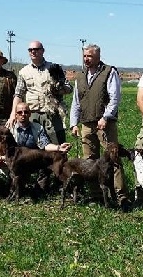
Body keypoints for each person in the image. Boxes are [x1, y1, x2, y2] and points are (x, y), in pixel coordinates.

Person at [69, 44, 129, 208]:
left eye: (90, 56)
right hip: (86, 124)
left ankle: (121, 196)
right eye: (85, 56)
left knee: (113, 160)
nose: (86, 59)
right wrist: (73, 123)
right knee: (89, 161)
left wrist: (105, 117)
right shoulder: (80, 76)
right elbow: (76, 102)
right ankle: (97, 195)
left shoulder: (109, 72)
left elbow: (114, 98)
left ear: (98, 56)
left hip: (105, 124)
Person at [9, 41, 72, 145]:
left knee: (57, 147)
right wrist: (13, 115)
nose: (33, 52)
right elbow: (18, 94)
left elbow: (69, 88)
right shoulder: (24, 72)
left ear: (42, 51)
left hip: (51, 114)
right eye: (30, 50)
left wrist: (59, 87)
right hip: (32, 115)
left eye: (36, 49)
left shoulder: (53, 68)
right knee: (33, 148)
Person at [9, 102, 71, 192]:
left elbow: (45, 145)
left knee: (42, 188)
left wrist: (59, 148)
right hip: (17, 162)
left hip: (33, 160)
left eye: (26, 112)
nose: (23, 115)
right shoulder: (10, 129)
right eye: (20, 112)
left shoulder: (38, 127)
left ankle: (44, 187)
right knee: (15, 186)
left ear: (30, 114)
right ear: (16, 115)